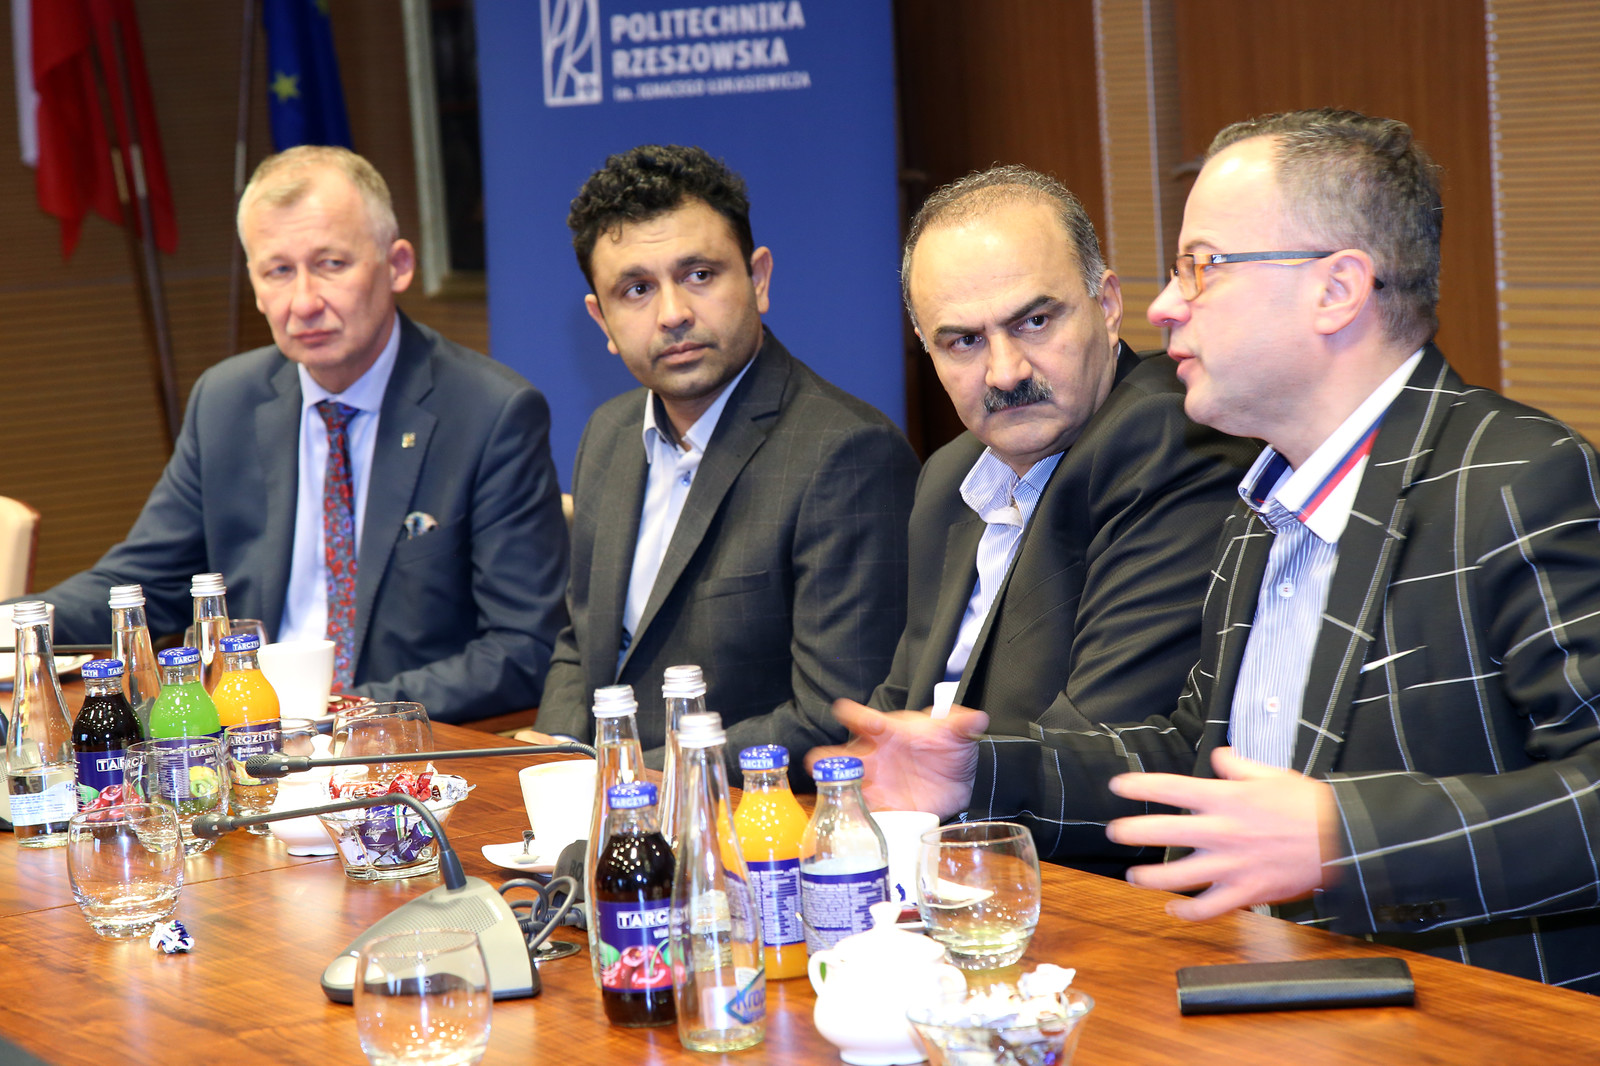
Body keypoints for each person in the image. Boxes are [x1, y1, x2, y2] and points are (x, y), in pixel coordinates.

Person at [818, 108, 1600, 994]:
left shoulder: (1517, 478)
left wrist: (1348, 837)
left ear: (1336, 290)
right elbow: (1191, 763)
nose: (1163, 307)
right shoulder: (1263, 502)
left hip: (1469, 1016)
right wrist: (979, 770)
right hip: (1264, 993)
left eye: (1203, 266)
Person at [31, 146, 569, 724]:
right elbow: (139, 584)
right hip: (245, 737)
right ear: (255, 286)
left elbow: (523, 646)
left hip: (396, 740)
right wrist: (19, 626)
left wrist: (345, 713)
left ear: (397, 265)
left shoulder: (490, 413)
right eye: (279, 271)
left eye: (331, 264)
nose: (305, 302)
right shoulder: (226, 401)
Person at [839, 165, 1254, 871]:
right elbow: (901, 710)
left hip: (1080, 888)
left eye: (1034, 322)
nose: (1004, 372)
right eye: (963, 341)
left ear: (1108, 304)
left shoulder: (1168, 441)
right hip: (948, 873)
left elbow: (1100, 753)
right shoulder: (950, 478)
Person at [528, 144, 919, 782]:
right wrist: (555, 757)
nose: (673, 314)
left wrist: (626, 777)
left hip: (753, 820)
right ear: (601, 319)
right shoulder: (608, 434)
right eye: (636, 289)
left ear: (758, 280)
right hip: (607, 805)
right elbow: (583, 643)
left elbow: (836, 719)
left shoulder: (847, 454)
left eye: (700, 275)